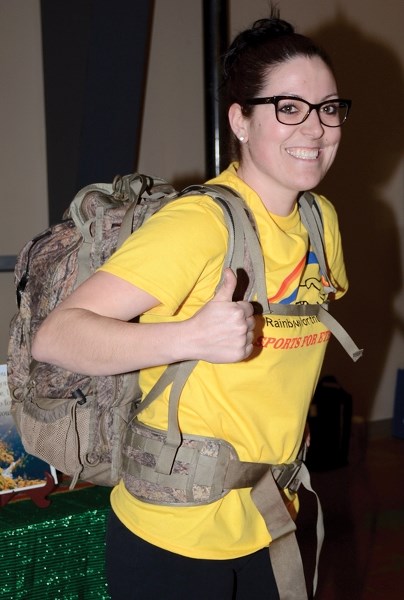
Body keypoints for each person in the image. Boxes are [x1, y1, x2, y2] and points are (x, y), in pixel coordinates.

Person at [32, 8, 353, 600]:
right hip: (172, 536)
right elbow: (57, 337)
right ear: (241, 119)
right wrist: (188, 338)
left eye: (329, 108)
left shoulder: (320, 219)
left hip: (268, 519)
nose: (315, 129)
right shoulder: (200, 224)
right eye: (289, 108)